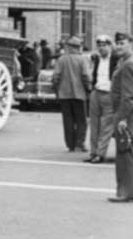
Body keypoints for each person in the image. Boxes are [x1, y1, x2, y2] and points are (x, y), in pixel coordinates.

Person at [50, 35, 91, 153]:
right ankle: (79, 143)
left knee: (68, 120)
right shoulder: (82, 59)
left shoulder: (61, 59)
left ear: (68, 47)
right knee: (81, 121)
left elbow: (55, 77)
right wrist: (88, 89)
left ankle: (70, 145)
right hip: (79, 94)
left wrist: (56, 90)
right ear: (79, 47)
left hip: (64, 95)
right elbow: (86, 77)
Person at [110, 32, 133, 202]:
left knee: (124, 153)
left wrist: (123, 118)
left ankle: (125, 192)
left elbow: (128, 95)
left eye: (122, 43)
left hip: (125, 113)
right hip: (125, 112)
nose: (118, 46)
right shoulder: (123, 62)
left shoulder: (127, 65)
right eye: (117, 43)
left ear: (130, 43)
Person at [86, 34, 116, 163]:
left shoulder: (116, 60)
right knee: (94, 125)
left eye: (104, 46)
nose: (101, 48)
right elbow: (93, 74)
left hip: (109, 94)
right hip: (96, 92)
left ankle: (100, 154)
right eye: (99, 46)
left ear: (110, 46)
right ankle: (93, 153)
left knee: (106, 126)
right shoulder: (96, 59)